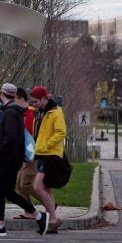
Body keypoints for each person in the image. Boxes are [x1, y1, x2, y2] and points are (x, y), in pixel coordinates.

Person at [0, 83, 49, 236]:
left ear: (2, 94)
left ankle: (38, 216)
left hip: (7, 160)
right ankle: (0, 225)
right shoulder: (13, 111)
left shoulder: (11, 113)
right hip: (9, 160)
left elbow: (10, 138)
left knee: (5, 191)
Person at [30, 85, 67, 234]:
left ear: (44, 98)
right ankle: (52, 220)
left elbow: (61, 132)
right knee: (46, 188)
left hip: (51, 155)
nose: (33, 104)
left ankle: (53, 218)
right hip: (43, 153)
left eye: (35, 101)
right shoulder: (41, 113)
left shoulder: (55, 113)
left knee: (37, 187)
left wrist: (46, 145)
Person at [13, 87, 40, 219]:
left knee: (26, 184)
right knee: (19, 185)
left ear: (21, 99)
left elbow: (29, 136)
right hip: (22, 155)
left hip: (31, 154)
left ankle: (48, 202)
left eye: (14, 99)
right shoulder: (20, 114)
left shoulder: (30, 114)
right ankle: (29, 210)